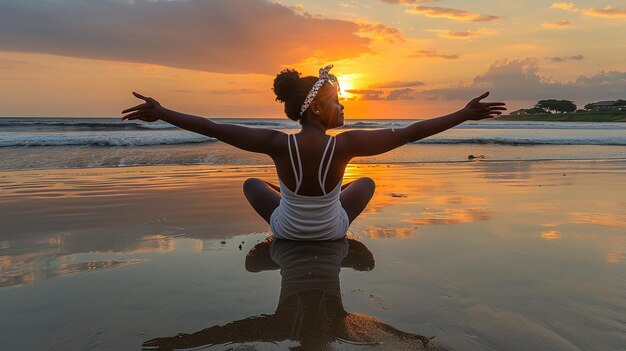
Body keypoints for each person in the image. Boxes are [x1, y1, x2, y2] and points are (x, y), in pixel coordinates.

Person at [122, 65, 506, 241]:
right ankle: (325, 201)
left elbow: (214, 128)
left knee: (255, 184)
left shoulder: (277, 144)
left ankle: (301, 202)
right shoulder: (346, 145)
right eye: (338, 102)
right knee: (367, 182)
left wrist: (164, 112)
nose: (343, 108)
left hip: (287, 231)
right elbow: (410, 133)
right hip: (331, 232)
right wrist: (463, 115)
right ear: (317, 109)